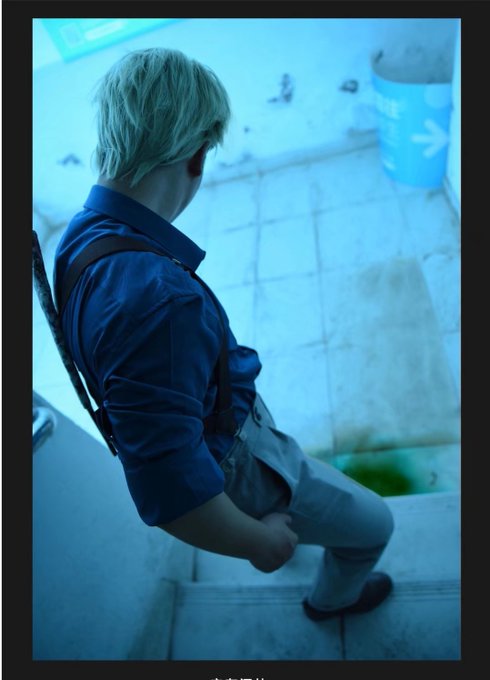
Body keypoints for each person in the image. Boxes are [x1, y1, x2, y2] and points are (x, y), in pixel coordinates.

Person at [54, 47, 394, 620]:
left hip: (226, 421)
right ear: (196, 155)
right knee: (374, 524)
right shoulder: (159, 301)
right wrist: (260, 543)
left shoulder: (82, 234)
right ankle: (332, 601)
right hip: (238, 458)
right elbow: (168, 489)